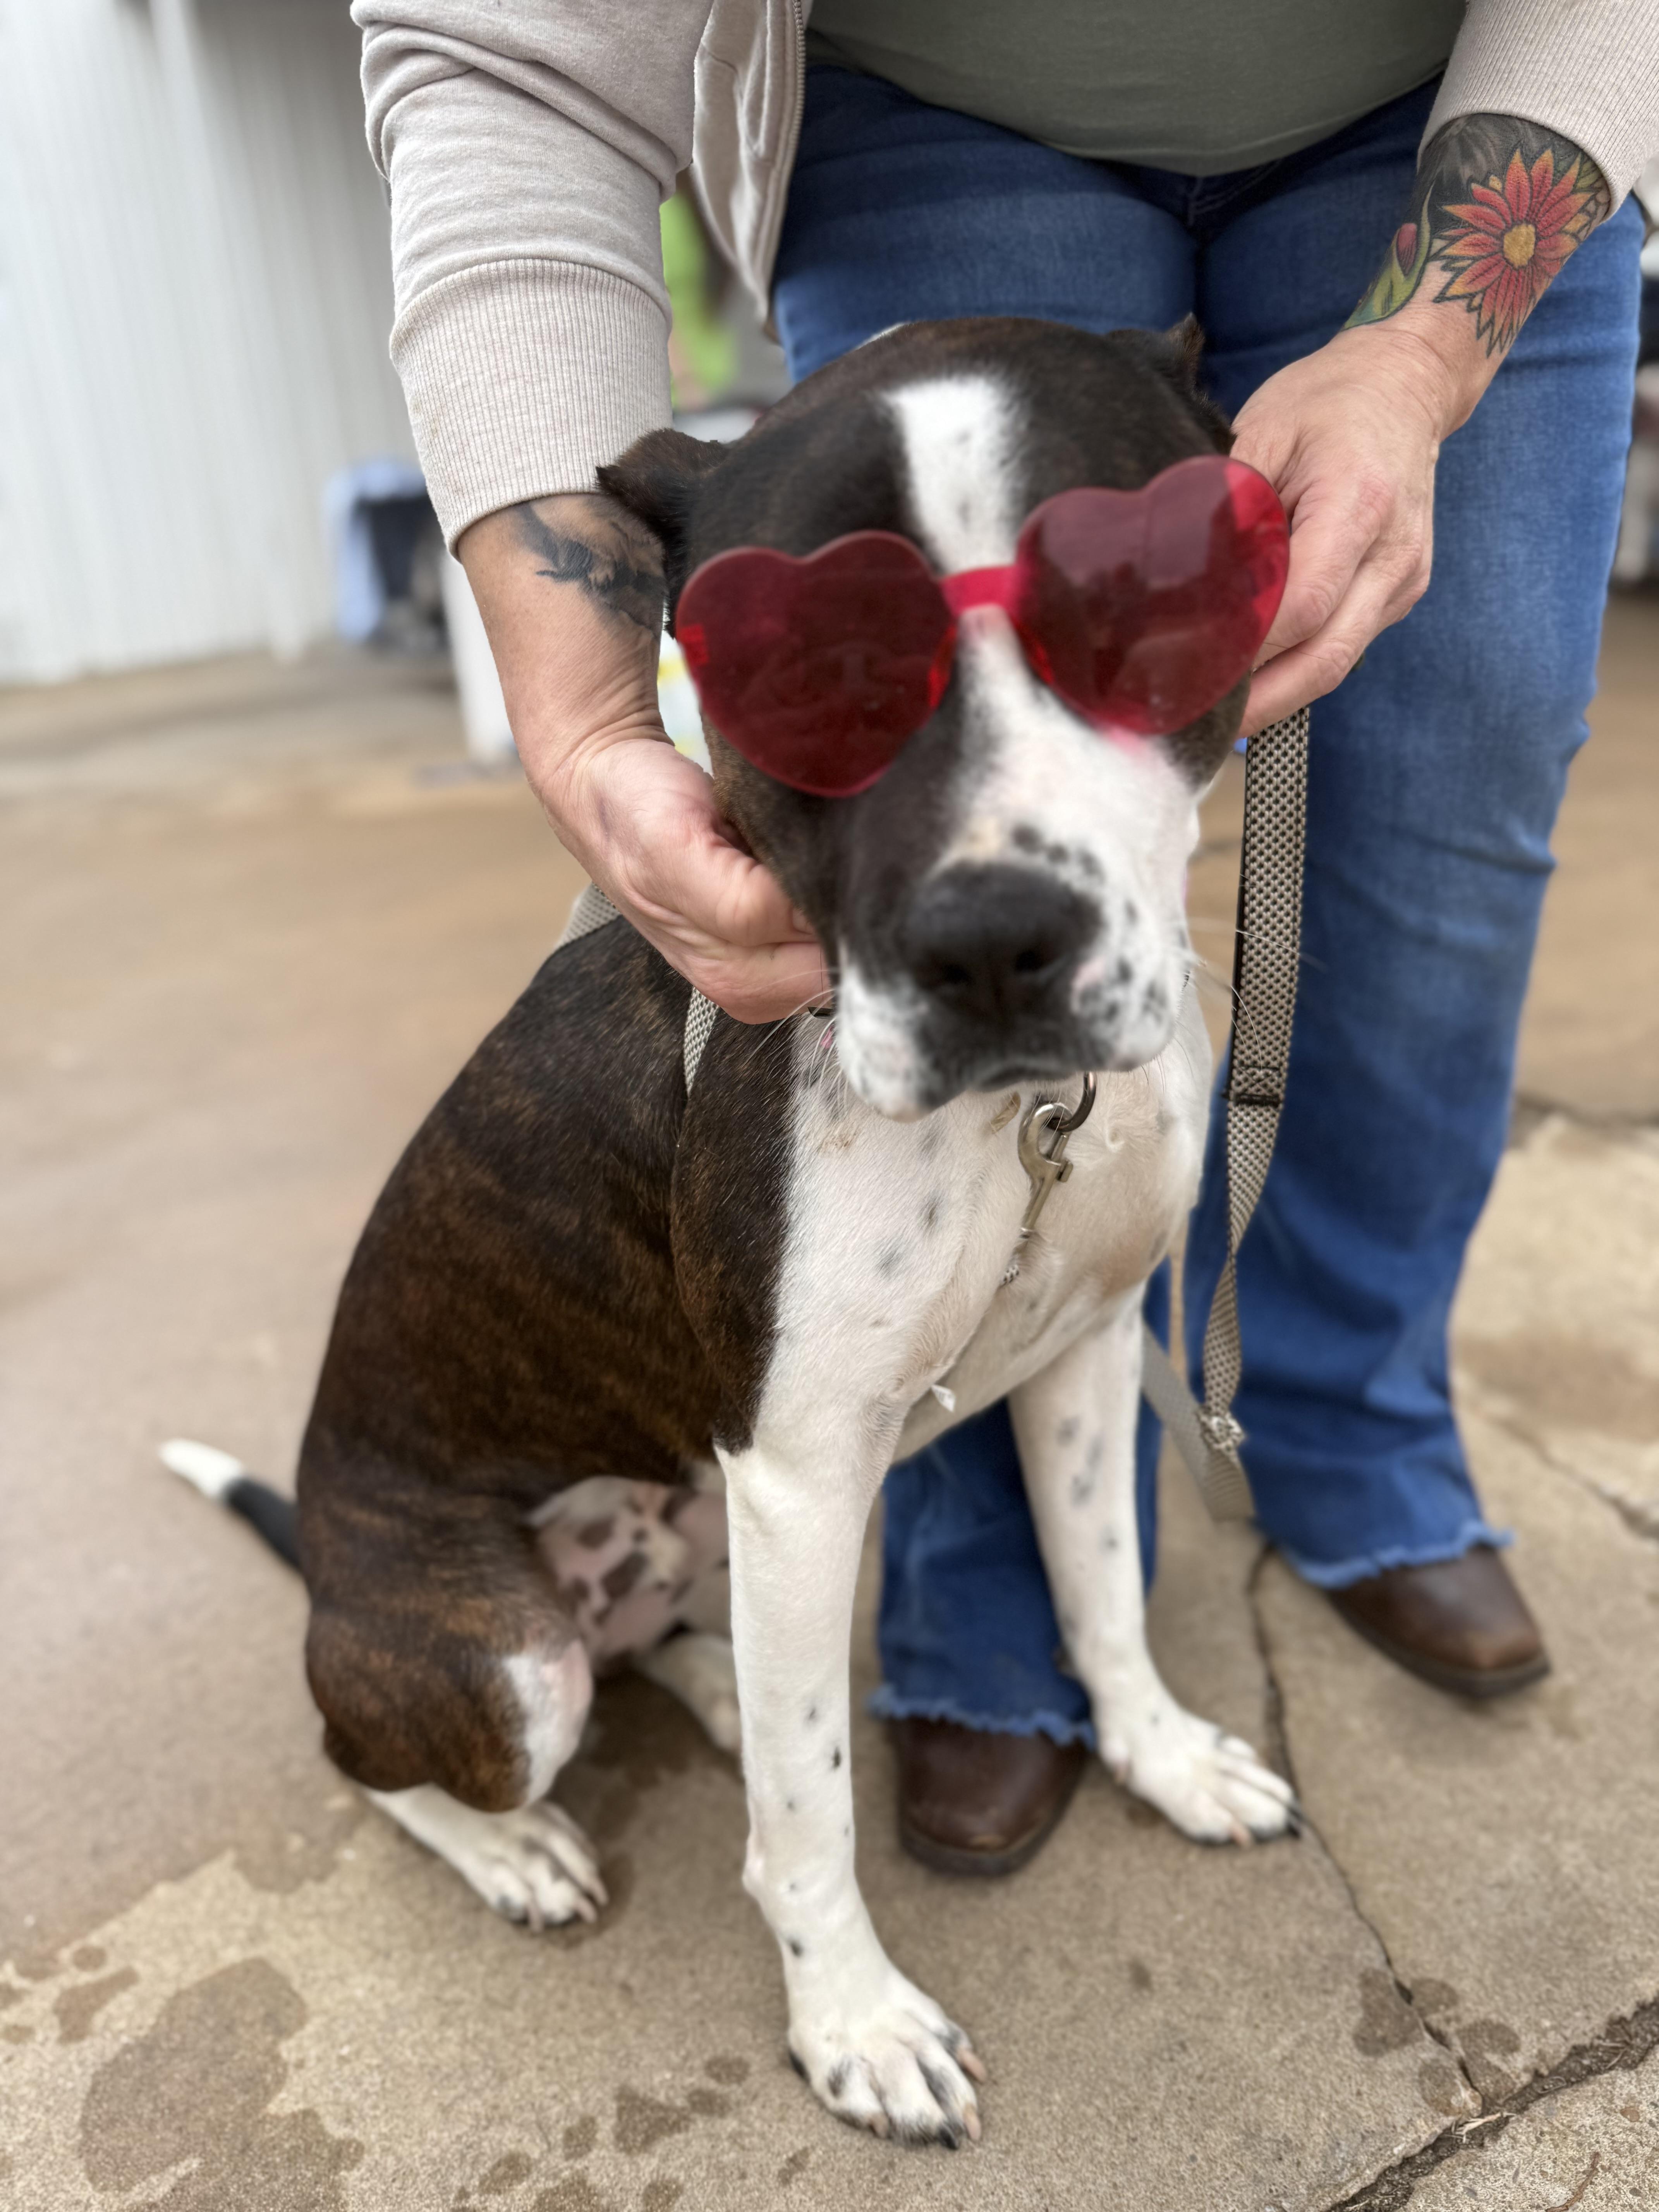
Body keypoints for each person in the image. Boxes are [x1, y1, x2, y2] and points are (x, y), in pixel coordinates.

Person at [354, 0, 1656, 1873]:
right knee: (903, 1185)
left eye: (1115, 626)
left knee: (1460, 764)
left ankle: (1355, 1431)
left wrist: (1435, 347)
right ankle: (978, 1608)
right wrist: (579, 713)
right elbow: (507, 54)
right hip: (935, 99)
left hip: (1465, 86)